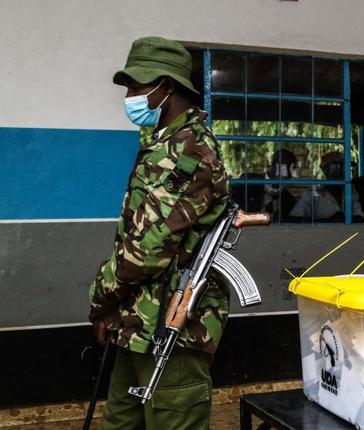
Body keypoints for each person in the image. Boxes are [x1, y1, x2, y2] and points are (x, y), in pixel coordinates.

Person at [89, 36, 229, 430]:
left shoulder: (188, 152)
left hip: (173, 327)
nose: (130, 96)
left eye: (137, 87)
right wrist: (114, 310)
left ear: (166, 87)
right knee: (120, 422)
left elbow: (147, 251)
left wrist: (100, 299)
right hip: (137, 324)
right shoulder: (161, 146)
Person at [290, 151, 363, 222]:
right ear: (327, 170)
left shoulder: (350, 191)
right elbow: (295, 218)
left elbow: (359, 216)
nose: (347, 171)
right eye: (343, 166)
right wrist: (329, 221)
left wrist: (344, 219)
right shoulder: (312, 193)